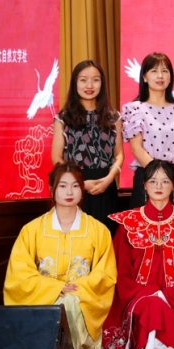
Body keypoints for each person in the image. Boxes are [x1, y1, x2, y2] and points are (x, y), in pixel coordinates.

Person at [4, 162, 117, 349]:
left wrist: (77, 288)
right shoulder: (32, 230)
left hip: (82, 301)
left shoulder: (98, 230)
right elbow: (19, 275)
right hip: (41, 298)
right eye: (63, 186)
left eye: (75, 186)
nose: (69, 192)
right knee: (63, 302)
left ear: (82, 190)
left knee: (70, 303)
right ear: (52, 189)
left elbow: (105, 274)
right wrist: (55, 287)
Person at [101, 160, 174, 349]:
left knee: (157, 304)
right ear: (144, 185)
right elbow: (119, 271)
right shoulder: (128, 224)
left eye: (165, 181)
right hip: (137, 300)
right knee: (151, 304)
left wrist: (169, 294)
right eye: (153, 181)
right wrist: (147, 294)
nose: (159, 186)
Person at [52, 60, 123, 232]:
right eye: (83, 80)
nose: (89, 85)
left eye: (95, 80)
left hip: (105, 186)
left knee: (105, 235)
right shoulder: (63, 118)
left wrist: (109, 179)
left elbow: (119, 155)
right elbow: (56, 158)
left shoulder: (113, 117)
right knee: (77, 236)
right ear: (75, 83)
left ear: (102, 84)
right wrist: (79, 184)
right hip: (74, 188)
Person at [122, 52, 174, 209]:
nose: (160, 75)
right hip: (148, 176)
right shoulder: (135, 108)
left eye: (165, 71)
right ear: (144, 77)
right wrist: (160, 176)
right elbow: (136, 148)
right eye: (154, 71)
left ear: (170, 77)